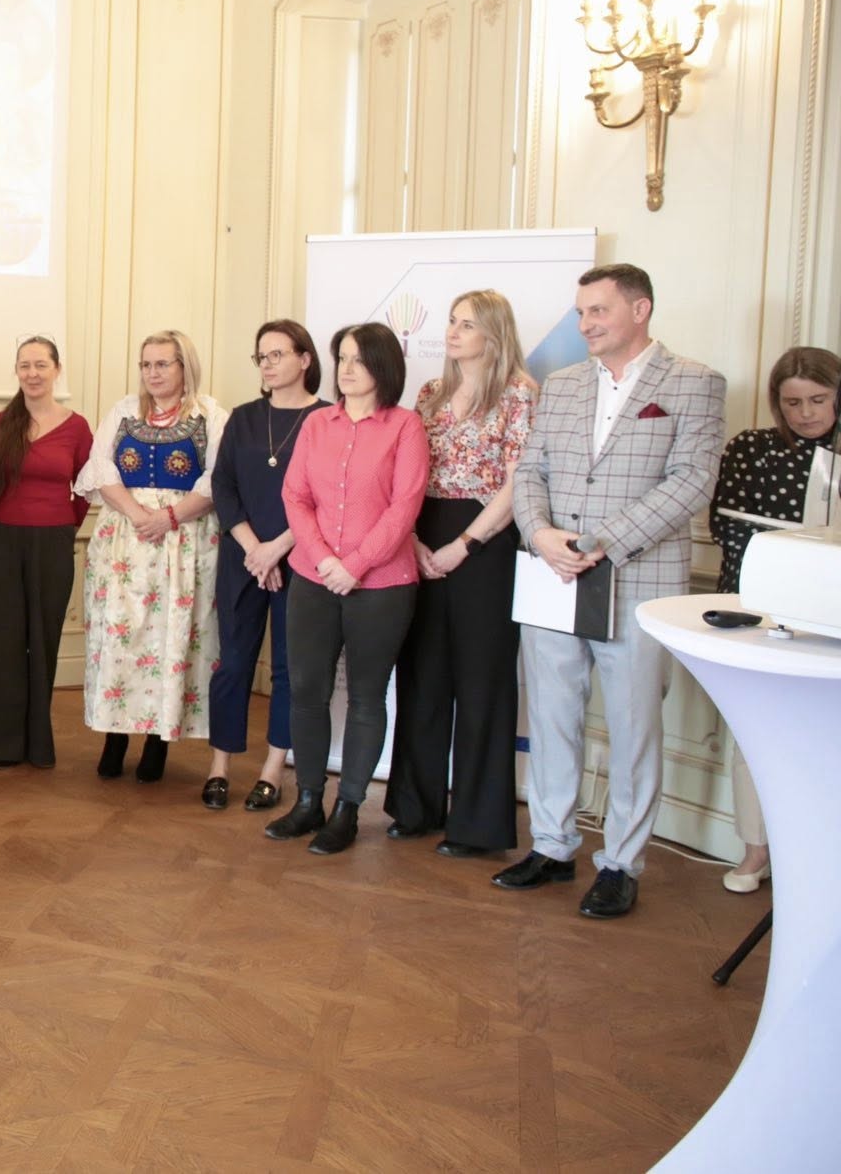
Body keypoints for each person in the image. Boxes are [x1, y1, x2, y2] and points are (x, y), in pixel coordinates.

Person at [502, 264, 725, 919]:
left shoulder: (694, 382)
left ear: (640, 309)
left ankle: (621, 864)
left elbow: (692, 481)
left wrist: (602, 541)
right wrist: (540, 534)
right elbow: (530, 470)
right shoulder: (564, 384)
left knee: (632, 730)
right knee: (551, 717)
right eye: (580, 312)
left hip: (636, 581)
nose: (585, 324)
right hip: (554, 575)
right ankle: (551, 846)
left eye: (597, 311)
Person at [265, 321, 427, 855]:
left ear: (385, 366)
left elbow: (404, 507)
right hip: (313, 578)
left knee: (365, 698)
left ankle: (348, 809)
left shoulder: (405, 427)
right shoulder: (318, 424)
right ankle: (308, 801)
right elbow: (296, 496)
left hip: (382, 586)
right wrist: (323, 559)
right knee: (307, 692)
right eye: (343, 358)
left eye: (360, 359)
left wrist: (354, 565)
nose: (348, 368)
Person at [387, 291, 538, 857]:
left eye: (467, 324)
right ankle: (415, 807)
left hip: (486, 540)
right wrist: (414, 538)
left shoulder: (520, 393)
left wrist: (465, 544)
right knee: (422, 675)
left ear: (494, 333)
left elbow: (519, 483)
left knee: (482, 682)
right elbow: (408, 474)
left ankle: (477, 825)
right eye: (451, 321)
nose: (453, 331)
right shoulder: (431, 392)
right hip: (422, 532)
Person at [706, 345, 837, 893]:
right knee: (756, 733)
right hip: (758, 608)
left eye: (818, 400)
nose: (805, 413)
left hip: (833, 614)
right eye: (792, 403)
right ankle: (756, 851)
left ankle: (819, 856)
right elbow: (727, 528)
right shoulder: (752, 448)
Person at [77, 331, 228, 783]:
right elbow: (101, 468)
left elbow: (216, 479)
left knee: (169, 640)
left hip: (183, 542)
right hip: (126, 540)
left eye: (163, 363)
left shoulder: (211, 415)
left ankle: (158, 740)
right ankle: (114, 735)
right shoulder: (124, 410)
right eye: (146, 364)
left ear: (185, 366)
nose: (153, 372)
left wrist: (169, 517)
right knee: (120, 638)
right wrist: (139, 514)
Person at [206, 320, 329, 812]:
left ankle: (273, 770)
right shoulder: (243, 418)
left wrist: (277, 548)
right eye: (262, 356)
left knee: (288, 669)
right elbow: (223, 486)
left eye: (278, 354)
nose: (268, 364)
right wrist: (255, 549)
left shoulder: (327, 419)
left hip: (302, 559)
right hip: (243, 557)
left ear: (305, 359)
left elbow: (328, 497)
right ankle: (219, 766)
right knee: (233, 662)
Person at [0, 337, 91, 768]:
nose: (32, 373)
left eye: (41, 365)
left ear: (57, 369)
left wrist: (60, 524)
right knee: (5, 641)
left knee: (43, 640)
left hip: (54, 542)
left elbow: (85, 489)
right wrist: (12, 517)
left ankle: (38, 743)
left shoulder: (77, 427)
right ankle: (2, 746)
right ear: (17, 371)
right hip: (4, 539)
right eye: (24, 365)